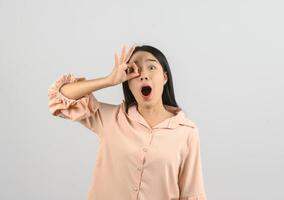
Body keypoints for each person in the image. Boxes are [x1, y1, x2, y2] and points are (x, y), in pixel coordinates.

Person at [47, 44, 208, 200]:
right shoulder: (110, 119)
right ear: (128, 82)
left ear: (164, 77)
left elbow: (191, 193)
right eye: (134, 70)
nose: (144, 75)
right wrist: (108, 80)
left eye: (151, 67)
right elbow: (59, 97)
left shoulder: (186, 131)